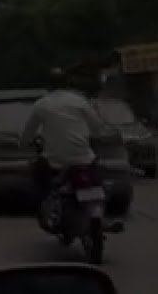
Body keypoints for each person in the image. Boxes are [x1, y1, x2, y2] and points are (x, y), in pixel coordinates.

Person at [19, 73, 101, 225]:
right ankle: (96, 212)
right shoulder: (80, 101)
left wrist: (23, 143)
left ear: (48, 86)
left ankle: (45, 206)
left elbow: (29, 132)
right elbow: (96, 126)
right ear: (68, 84)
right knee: (96, 176)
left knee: (39, 174)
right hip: (84, 157)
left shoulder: (42, 104)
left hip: (56, 160)